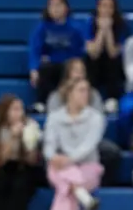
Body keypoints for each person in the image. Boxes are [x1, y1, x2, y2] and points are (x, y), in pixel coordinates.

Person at [43, 78, 105, 210]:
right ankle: (83, 197)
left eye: (87, 90)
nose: (86, 94)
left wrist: (68, 160)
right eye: (81, 90)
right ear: (69, 93)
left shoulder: (96, 118)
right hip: (59, 166)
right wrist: (53, 157)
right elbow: (48, 145)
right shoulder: (55, 117)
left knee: (66, 185)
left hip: (88, 166)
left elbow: (88, 146)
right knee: (62, 173)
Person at [46, 57, 122, 185]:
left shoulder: (94, 95)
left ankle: (98, 183)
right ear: (67, 74)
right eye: (76, 70)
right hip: (63, 142)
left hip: (88, 141)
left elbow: (99, 126)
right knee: (47, 152)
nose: (79, 74)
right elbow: (52, 129)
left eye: (82, 71)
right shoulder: (55, 98)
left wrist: (72, 157)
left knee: (111, 152)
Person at [28, 0, 85, 110]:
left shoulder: (76, 28)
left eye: (58, 5)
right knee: (44, 69)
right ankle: (42, 103)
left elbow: (82, 49)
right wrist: (33, 69)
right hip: (51, 65)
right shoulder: (42, 27)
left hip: (69, 64)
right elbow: (34, 49)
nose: (55, 9)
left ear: (66, 8)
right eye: (52, 6)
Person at [83, 0, 127, 112]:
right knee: (91, 61)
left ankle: (112, 99)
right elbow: (94, 53)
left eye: (110, 6)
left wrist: (108, 31)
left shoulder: (121, 25)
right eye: (103, 6)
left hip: (113, 66)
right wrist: (101, 31)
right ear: (98, 8)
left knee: (113, 61)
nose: (106, 10)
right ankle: (90, 98)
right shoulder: (89, 23)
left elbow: (113, 52)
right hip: (94, 64)